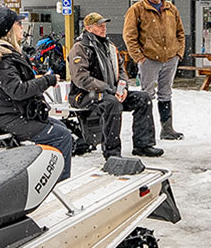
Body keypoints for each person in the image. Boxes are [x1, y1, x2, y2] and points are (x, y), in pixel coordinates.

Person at [0, 7, 72, 180]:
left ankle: (50, 175)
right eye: (18, 24)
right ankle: (57, 181)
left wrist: (37, 78)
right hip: (7, 114)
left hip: (14, 110)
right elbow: (17, 90)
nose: (22, 27)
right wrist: (47, 81)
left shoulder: (6, 52)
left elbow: (15, 83)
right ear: (7, 30)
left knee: (61, 128)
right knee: (61, 136)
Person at [67, 13, 163, 159]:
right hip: (85, 94)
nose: (104, 28)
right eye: (99, 26)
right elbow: (82, 79)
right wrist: (108, 88)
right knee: (112, 105)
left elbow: (121, 71)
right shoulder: (80, 48)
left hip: (111, 91)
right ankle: (112, 152)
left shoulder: (110, 46)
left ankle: (143, 145)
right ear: (88, 28)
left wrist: (122, 88)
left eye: (104, 25)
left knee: (143, 98)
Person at [123, 0, 186, 140]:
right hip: (149, 59)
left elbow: (180, 32)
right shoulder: (136, 9)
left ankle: (167, 129)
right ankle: (146, 131)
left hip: (170, 58)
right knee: (147, 95)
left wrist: (178, 53)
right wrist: (139, 58)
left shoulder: (171, 9)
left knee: (166, 93)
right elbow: (129, 35)